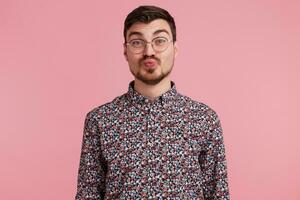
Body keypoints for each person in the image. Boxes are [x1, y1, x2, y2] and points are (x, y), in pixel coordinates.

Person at [75, 5, 230, 200]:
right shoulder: (100, 121)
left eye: (159, 41)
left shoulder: (203, 119)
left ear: (175, 49)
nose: (149, 51)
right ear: (125, 51)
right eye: (137, 42)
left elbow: (218, 195)